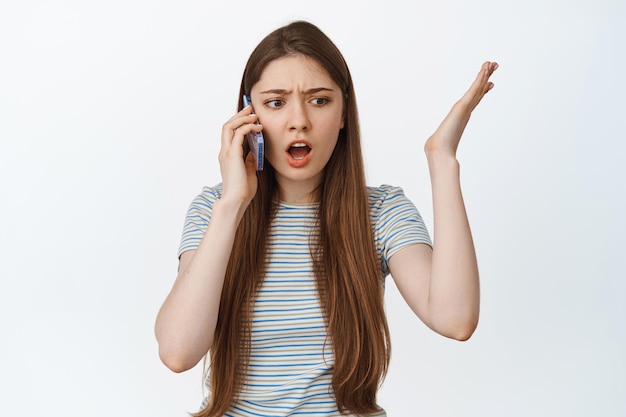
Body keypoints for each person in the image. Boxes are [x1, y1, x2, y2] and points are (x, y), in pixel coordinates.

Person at [155, 20, 497, 417]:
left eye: (319, 100)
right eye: (276, 102)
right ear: (249, 117)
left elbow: (455, 319)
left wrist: (442, 158)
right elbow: (178, 352)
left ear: (343, 114)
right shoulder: (215, 210)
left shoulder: (381, 212)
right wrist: (232, 203)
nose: (298, 120)